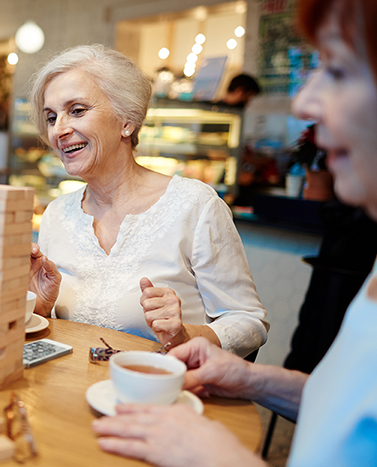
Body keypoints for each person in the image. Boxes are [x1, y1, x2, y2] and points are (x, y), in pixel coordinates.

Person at [92, 0, 377, 465]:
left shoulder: (194, 203)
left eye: (340, 71)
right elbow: (353, 414)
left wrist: (218, 457)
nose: (304, 102)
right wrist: (255, 380)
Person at [27, 44, 268, 358]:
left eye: (77, 110)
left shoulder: (195, 205)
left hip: (163, 393)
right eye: (50, 117)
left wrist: (186, 335)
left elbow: (250, 322)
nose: (59, 130)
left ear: (127, 120)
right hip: (73, 394)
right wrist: (42, 309)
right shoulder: (57, 214)